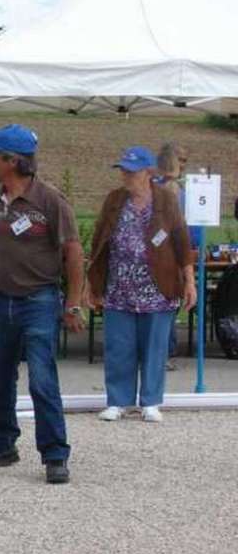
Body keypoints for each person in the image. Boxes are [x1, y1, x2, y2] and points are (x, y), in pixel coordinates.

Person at [0, 124, 85, 485]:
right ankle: (1, 444)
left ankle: (55, 454)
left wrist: (72, 303)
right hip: (1, 302)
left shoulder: (50, 202)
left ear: (13, 161)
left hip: (40, 301)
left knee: (42, 380)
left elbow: (74, 253)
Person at [87, 146, 196, 424]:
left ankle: (150, 401)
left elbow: (182, 242)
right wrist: (92, 283)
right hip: (119, 287)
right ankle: (118, 401)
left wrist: (190, 281)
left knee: (154, 346)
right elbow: (99, 241)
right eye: (123, 170)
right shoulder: (114, 199)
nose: (125, 175)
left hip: (157, 288)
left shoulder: (167, 200)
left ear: (148, 172)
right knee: (119, 346)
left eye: (131, 171)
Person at [154, 143, 196, 365]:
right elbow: (190, 231)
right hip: (168, 257)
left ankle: (163, 350)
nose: (184, 165)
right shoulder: (177, 191)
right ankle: (164, 351)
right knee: (166, 304)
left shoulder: (155, 188)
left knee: (165, 304)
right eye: (182, 160)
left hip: (163, 256)